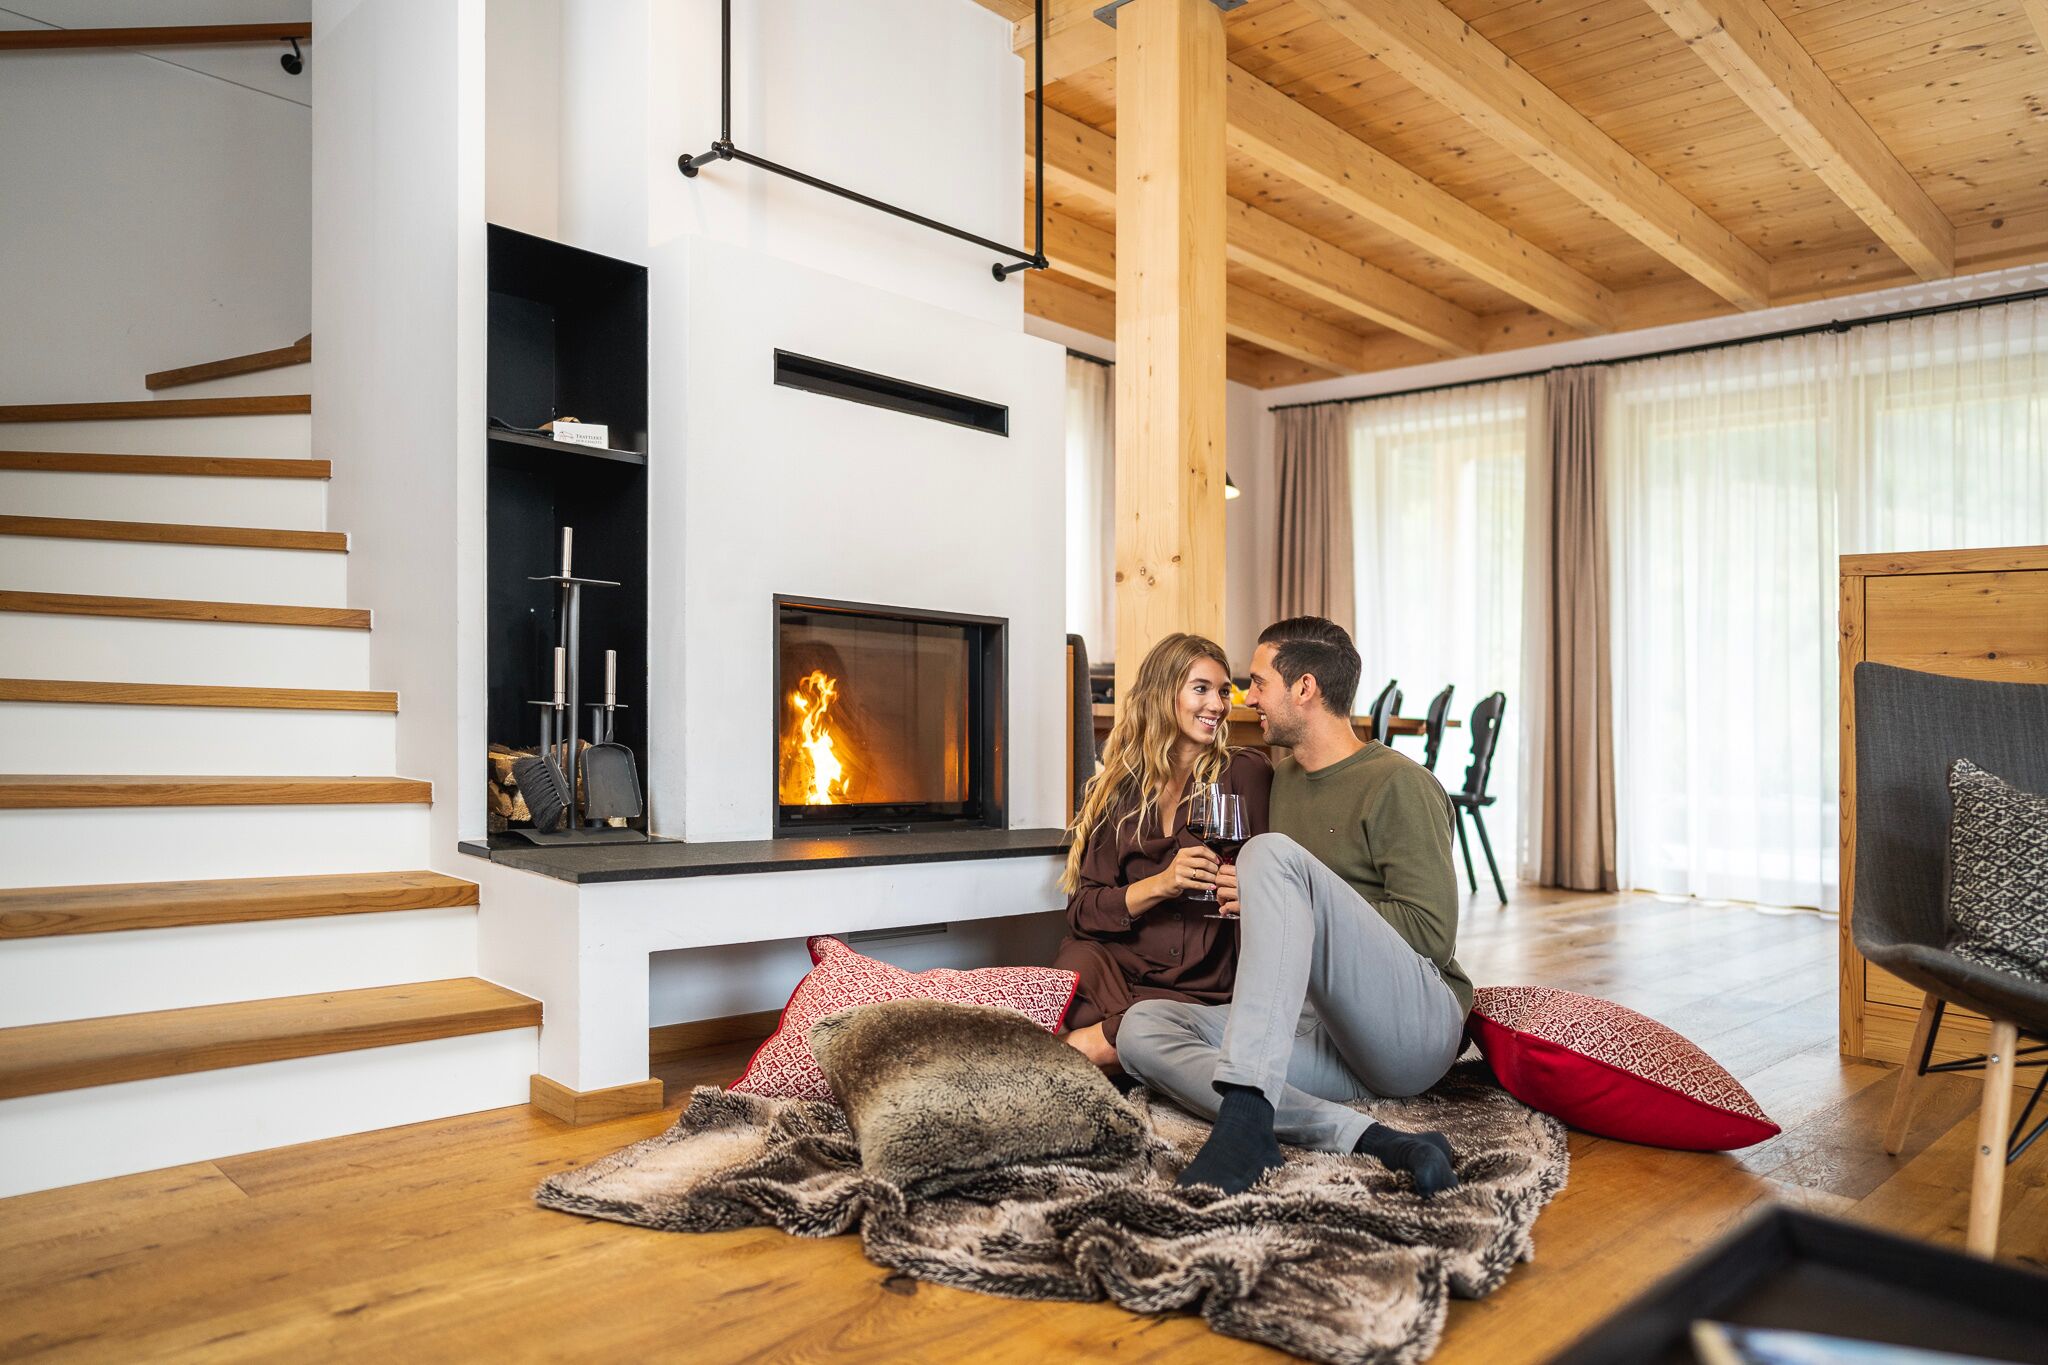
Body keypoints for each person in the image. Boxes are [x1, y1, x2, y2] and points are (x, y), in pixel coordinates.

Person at [1116, 617, 1473, 1198]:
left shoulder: (1398, 784)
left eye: (1257, 683)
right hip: (1320, 1034)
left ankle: (1244, 1120)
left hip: (1412, 1028)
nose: (1244, 697)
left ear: (1303, 688)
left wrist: (1296, 896)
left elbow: (1431, 936)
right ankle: (1378, 1140)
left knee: (1271, 854)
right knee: (1142, 1029)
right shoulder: (1278, 782)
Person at [1055, 633, 1272, 1072]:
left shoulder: (1243, 772)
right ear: (1162, 694)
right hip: (1113, 968)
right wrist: (1162, 883)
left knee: (1088, 1047)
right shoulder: (1118, 790)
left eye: (1223, 691)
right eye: (1201, 688)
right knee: (1052, 997)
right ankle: (1105, 1049)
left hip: (1198, 983)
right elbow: (1082, 910)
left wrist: (1248, 888)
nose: (1217, 704)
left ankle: (1098, 1051)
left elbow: (1273, 877)